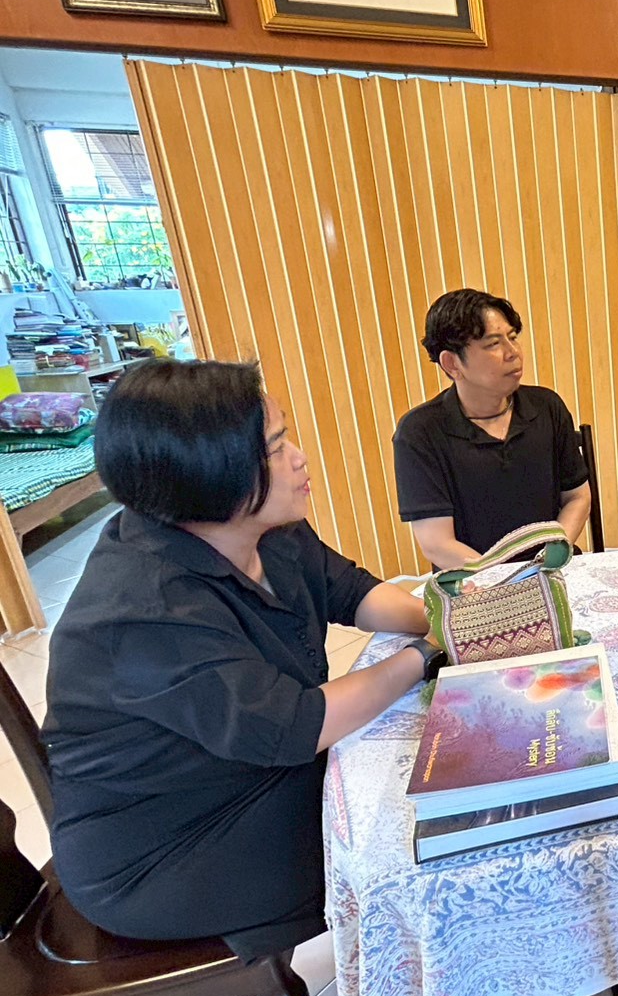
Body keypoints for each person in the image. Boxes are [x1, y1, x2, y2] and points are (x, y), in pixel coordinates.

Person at [42, 360, 443, 958]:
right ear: (210, 472)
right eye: (276, 448)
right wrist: (425, 654)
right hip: (169, 843)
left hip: (249, 768)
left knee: (414, 759)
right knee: (411, 830)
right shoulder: (143, 609)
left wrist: (445, 617)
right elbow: (296, 725)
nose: (300, 458)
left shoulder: (260, 527)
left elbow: (353, 592)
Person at [393, 289, 590, 569]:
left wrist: (550, 558)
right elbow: (437, 544)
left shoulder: (547, 406)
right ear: (452, 363)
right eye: (494, 344)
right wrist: (507, 579)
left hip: (550, 569)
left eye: (513, 337)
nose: (513, 353)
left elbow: (577, 496)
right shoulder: (419, 432)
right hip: (474, 580)